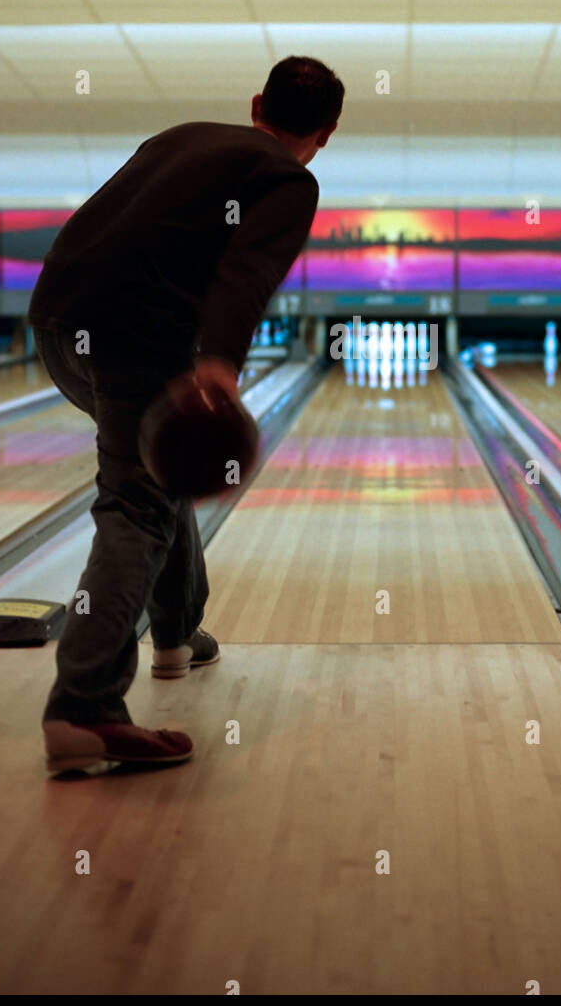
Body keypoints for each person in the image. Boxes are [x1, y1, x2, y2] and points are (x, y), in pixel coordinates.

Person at [30, 56, 344, 776]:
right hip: (136, 338)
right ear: (324, 134)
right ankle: (85, 706)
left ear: (256, 102)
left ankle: (174, 635)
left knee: (160, 467)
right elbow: (247, 273)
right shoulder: (289, 179)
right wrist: (219, 366)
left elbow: (102, 220)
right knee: (137, 508)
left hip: (57, 324)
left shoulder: (177, 136)